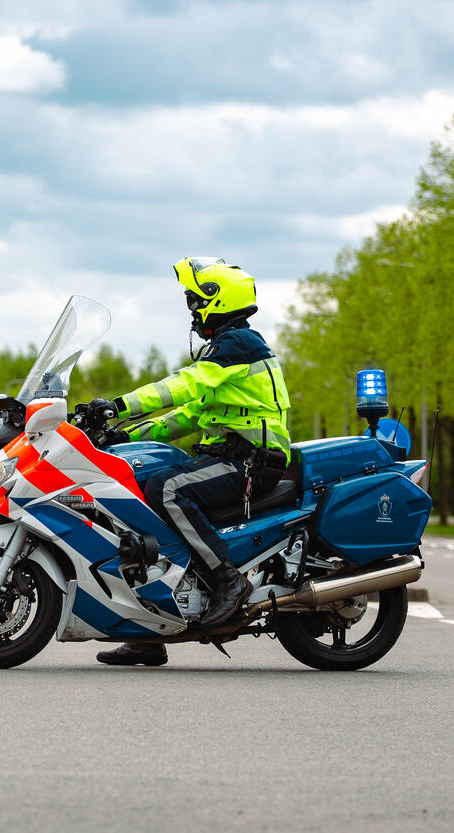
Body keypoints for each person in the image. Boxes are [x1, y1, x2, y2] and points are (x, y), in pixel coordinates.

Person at [88, 257, 291, 667]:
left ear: (218, 300)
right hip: (228, 455)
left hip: (252, 459)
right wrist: (123, 434)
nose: (192, 309)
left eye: (195, 299)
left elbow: (184, 386)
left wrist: (120, 404)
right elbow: (187, 415)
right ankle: (148, 627)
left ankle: (227, 580)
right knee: (137, 480)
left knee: (167, 488)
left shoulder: (240, 346)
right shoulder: (226, 349)